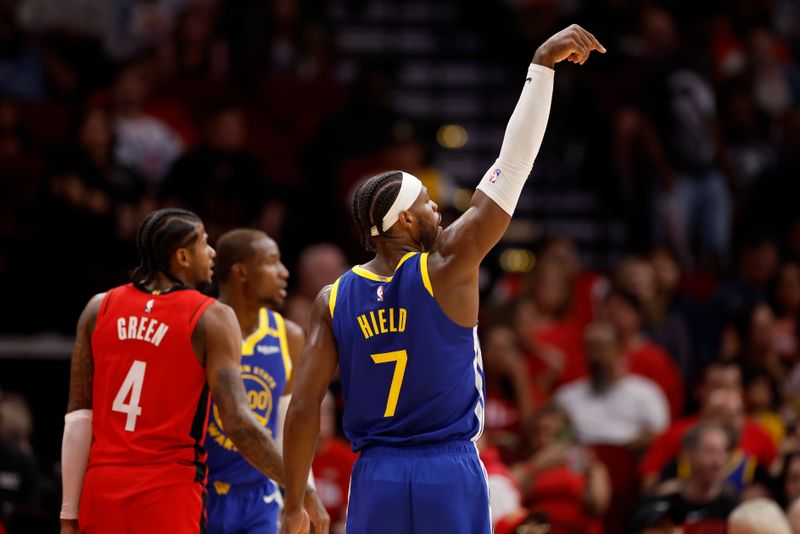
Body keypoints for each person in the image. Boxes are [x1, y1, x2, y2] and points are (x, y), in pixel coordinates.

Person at [281, 25, 606, 534]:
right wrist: (541, 66)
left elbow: (302, 407)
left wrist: (292, 502)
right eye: (424, 202)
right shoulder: (446, 266)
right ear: (404, 223)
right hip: (447, 466)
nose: (436, 206)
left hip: (375, 473)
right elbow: (513, 165)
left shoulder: (333, 297)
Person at [59, 208, 326, 534]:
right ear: (183, 257)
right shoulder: (210, 316)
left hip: (103, 489)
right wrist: (301, 488)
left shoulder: (97, 308)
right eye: (203, 243)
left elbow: (78, 418)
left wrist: (68, 513)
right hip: (169, 489)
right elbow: (240, 425)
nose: (212, 252)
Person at [204, 229, 328, 533]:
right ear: (241, 273)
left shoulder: (288, 335)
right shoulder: (201, 327)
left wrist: (300, 498)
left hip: (259, 497)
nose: (284, 273)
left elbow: (291, 424)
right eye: (272, 263)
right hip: (201, 492)